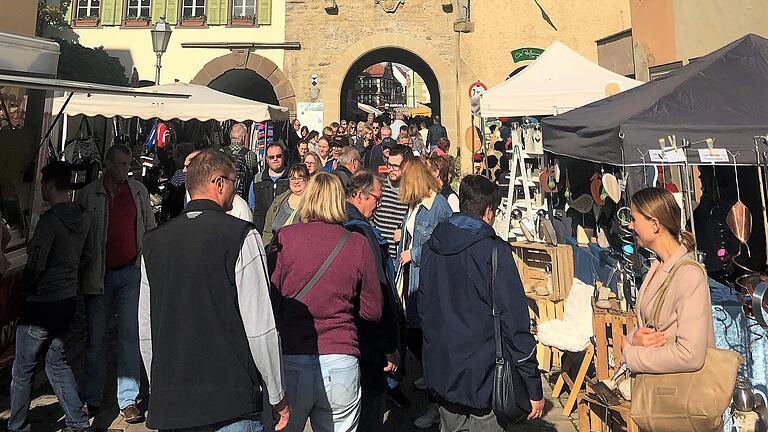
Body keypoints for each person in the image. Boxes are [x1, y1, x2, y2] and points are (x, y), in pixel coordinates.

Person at [139, 150, 290, 432]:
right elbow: (260, 327)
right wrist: (277, 393)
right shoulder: (241, 236)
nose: (236, 188)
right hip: (231, 399)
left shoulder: (153, 242)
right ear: (219, 183)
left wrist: (158, 385)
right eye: (235, 180)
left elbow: (146, 329)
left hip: (173, 398)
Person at [418, 175, 545, 431]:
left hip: (442, 366)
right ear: (489, 211)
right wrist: (533, 384)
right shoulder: (494, 251)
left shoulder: (431, 246)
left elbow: (423, 305)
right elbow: (516, 321)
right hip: (484, 374)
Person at [269, 173, 382, 432]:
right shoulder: (357, 243)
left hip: (291, 355)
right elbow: (372, 311)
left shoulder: (286, 237)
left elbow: (272, 299)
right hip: (341, 357)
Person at [9, 161, 92, 432]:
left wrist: (25, 289)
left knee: (23, 371)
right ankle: (78, 422)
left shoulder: (50, 221)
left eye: (43, 183)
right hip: (68, 298)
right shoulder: (81, 217)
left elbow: (36, 263)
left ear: (50, 185)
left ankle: (18, 425)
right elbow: (87, 256)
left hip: (42, 303)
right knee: (57, 363)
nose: (41, 188)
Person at [77, 144, 155, 423]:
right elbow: (80, 235)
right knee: (96, 338)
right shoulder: (89, 195)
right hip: (99, 275)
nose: (125, 169)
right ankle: (93, 397)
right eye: (120, 164)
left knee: (128, 336)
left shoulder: (137, 192)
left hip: (130, 272)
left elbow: (149, 227)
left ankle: (128, 398)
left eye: (128, 164)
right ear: (108, 165)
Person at [621, 188, 714, 375]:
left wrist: (632, 355)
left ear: (655, 224)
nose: (630, 227)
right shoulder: (658, 265)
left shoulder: (689, 275)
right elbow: (649, 326)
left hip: (679, 394)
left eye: (634, 219)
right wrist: (633, 339)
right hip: (658, 391)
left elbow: (690, 354)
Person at [396, 157, 453, 429]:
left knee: (425, 340)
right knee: (416, 336)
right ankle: (431, 381)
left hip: (427, 283)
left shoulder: (438, 207)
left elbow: (444, 246)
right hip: (411, 281)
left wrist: (414, 253)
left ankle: (437, 404)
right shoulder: (416, 204)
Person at [344, 173, 401, 432]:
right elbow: (377, 292)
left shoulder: (337, 221)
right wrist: (388, 345)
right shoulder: (362, 231)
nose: (379, 204)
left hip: (347, 335)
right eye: (377, 198)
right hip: (368, 337)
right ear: (359, 195)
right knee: (369, 408)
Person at [371, 144, 414, 409]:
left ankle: (395, 380)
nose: (393, 170)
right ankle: (388, 381)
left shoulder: (409, 190)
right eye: (391, 165)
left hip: (398, 258)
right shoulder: (381, 185)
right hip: (379, 252)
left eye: (397, 166)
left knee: (398, 321)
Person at [262, 164, 309, 246]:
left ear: (307, 180)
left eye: (300, 178)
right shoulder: (279, 200)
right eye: (293, 179)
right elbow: (268, 230)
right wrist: (267, 248)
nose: (296, 182)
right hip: (276, 252)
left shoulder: (313, 203)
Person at [249, 143, 290, 232]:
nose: (275, 159)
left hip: (285, 229)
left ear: (283, 157)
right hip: (261, 228)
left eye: (278, 156)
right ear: (267, 160)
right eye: (272, 157)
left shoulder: (291, 178)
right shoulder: (258, 179)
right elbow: (252, 205)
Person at [222, 123, 258, 201]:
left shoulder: (220, 153)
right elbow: (253, 176)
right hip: (242, 198)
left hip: (222, 197)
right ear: (244, 137)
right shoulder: (250, 154)